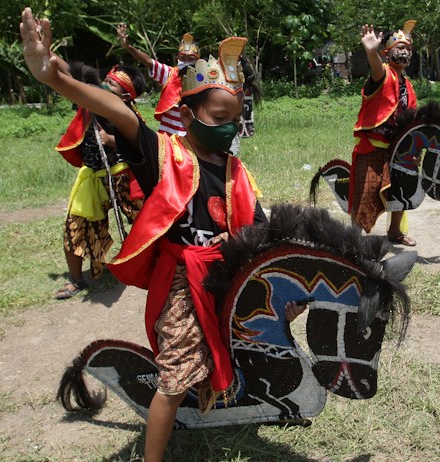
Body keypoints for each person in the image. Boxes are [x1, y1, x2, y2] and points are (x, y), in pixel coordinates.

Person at [20, 9, 307, 460]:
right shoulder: (165, 155)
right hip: (182, 284)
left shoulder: (237, 171)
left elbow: (259, 232)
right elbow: (115, 109)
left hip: (227, 274)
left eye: (235, 117)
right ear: (188, 113)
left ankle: (231, 394)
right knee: (172, 382)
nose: (229, 127)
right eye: (218, 116)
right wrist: (56, 78)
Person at [54, 61, 146, 299]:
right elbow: (73, 76)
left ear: (126, 96)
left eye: (112, 84)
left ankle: (152, 265)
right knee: (75, 224)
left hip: (123, 176)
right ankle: (76, 280)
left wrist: (112, 140)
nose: (105, 85)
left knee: (146, 222)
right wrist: (49, 58)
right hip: (93, 178)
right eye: (106, 80)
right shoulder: (89, 102)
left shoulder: (127, 114)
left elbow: (143, 144)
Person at [350, 21, 418, 246]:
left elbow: (412, 122)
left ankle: (395, 232)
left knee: (402, 189)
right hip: (373, 147)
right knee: (366, 192)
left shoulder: (408, 85)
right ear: (387, 53)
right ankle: (354, 238)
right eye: (400, 48)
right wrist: (371, 53)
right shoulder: (383, 74)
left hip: (397, 149)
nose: (405, 52)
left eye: (408, 49)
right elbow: (376, 67)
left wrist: (415, 150)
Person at [117, 24, 198, 137]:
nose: (186, 62)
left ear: (198, 61)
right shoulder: (169, 73)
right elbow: (148, 61)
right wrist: (128, 47)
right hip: (167, 135)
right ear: (177, 59)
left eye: (191, 59)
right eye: (182, 58)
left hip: (191, 137)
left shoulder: (202, 78)